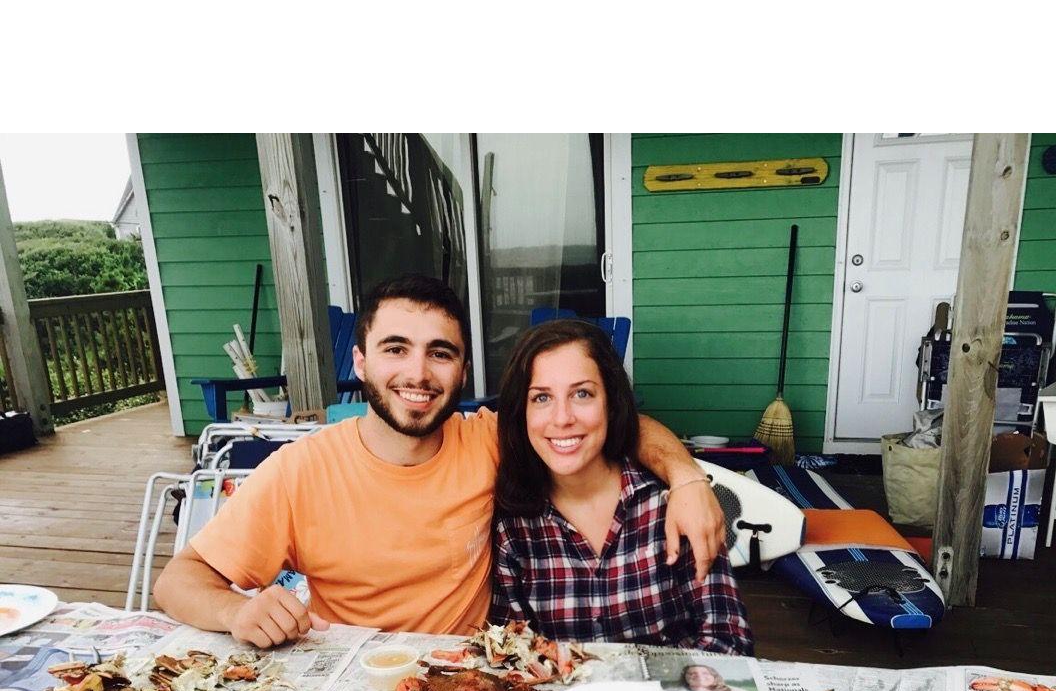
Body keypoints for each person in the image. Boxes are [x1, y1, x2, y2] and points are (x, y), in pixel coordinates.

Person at [153, 275, 725, 648]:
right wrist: (235, 613)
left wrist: (686, 478)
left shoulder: (491, 439)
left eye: (440, 353)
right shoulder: (300, 470)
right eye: (396, 349)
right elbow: (179, 582)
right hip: (353, 679)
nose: (418, 374)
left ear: (463, 370)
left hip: (472, 675)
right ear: (360, 360)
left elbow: (610, 425)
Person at [490, 319, 753, 655]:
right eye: (541, 398)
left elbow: (729, 641)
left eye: (582, 393)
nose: (562, 418)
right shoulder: (516, 527)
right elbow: (512, 651)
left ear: (611, 404)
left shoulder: (669, 502)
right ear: (521, 412)